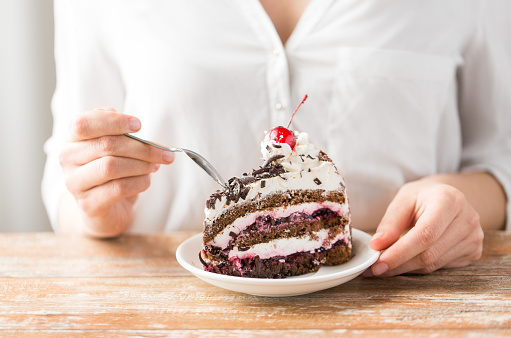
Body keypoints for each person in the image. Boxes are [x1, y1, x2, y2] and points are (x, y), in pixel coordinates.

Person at [43, 0, 510, 277]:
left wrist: (457, 201)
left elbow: (501, 160)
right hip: (169, 310)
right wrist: (97, 210)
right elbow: (66, 177)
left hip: (402, 301)